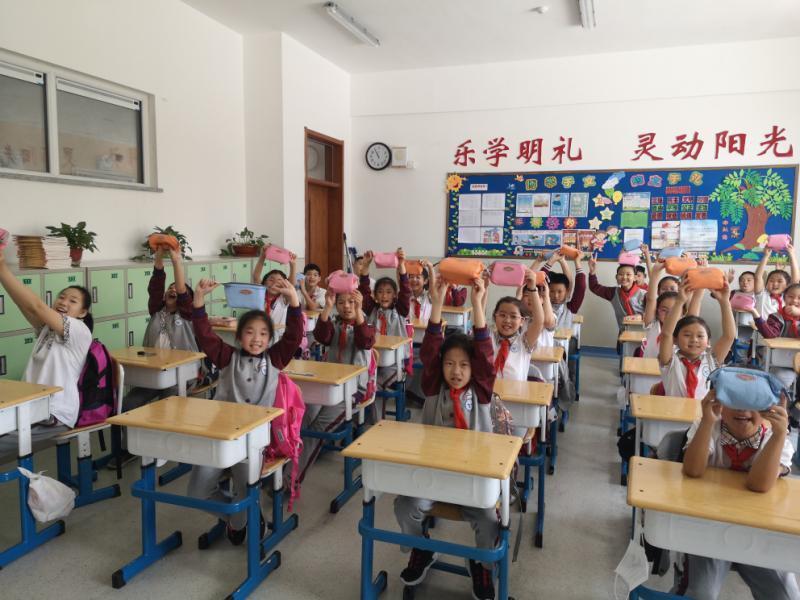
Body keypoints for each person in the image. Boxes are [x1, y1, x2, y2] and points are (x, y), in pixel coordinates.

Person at [393, 269, 498, 600]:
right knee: (403, 506)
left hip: (472, 477)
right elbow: (430, 351)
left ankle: (482, 564)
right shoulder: (433, 387)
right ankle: (422, 549)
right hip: (434, 474)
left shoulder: (481, 392)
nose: (456, 371)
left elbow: (485, 355)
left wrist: (478, 304)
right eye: (450, 364)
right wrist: (437, 302)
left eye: (464, 365)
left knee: (489, 521)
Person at [187, 276, 302, 544]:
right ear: (239, 337)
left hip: (254, 441)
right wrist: (198, 300)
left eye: (263, 334)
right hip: (220, 435)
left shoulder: (275, 359)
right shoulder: (227, 357)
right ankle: (241, 518)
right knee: (196, 493)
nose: (256, 339)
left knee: (245, 489)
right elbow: (204, 334)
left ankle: (242, 518)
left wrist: (294, 302)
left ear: (270, 339)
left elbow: (294, 337)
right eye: (250, 332)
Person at [675, 388, 799, 599]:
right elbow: (692, 470)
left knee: (787, 596)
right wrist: (707, 421)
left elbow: (758, 484)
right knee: (702, 593)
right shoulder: (709, 427)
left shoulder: (777, 440)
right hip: (709, 531)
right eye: (734, 400)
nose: (743, 410)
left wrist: (779, 435)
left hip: (760, 535)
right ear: (720, 402)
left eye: (753, 402)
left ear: (768, 408)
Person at [0, 247, 93, 458]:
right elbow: (23, 303)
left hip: (54, 413)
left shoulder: (79, 330)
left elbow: (37, 307)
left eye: (72, 301)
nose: (63, 302)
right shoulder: (46, 329)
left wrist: (3, 267)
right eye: (62, 297)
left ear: (83, 313)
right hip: (31, 406)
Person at [297, 288, 375, 482]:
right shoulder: (335, 323)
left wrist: (359, 311)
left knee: (317, 428)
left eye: (351, 302)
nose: (346, 306)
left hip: (353, 390)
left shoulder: (366, 324)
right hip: (330, 384)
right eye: (341, 303)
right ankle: (298, 455)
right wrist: (327, 307)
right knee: (304, 414)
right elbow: (321, 336)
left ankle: (290, 479)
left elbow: (365, 341)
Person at [657, 281, 735, 398]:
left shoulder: (711, 360)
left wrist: (725, 302)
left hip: (701, 410)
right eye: (687, 335)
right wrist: (679, 302)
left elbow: (729, 336)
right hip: (673, 410)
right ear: (675, 340)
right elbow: (666, 334)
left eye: (700, 336)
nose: (694, 339)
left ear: (708, 342)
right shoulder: (670, 360)